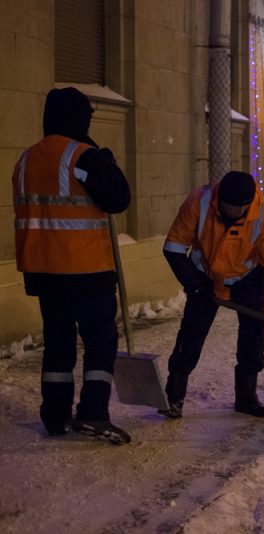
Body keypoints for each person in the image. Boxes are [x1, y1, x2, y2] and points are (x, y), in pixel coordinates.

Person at [12, 87, 132, 444]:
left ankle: (55, 415)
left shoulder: (26, 159)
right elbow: (118, 199)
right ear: (80, 119)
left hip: (43, 271)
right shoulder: (83, 157)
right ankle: (93, 413)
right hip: (85, 269)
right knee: (100, 342)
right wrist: (106, 163)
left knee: (59, 343)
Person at [159, 171, 264, 419]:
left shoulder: (262, 218)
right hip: (205, 277)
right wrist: (194, 284)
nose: (234, 213)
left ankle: (247, 397)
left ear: (248, 203)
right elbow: (174, 247)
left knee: (253, 336)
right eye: (229, 207)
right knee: (191, 334)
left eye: (240, 208)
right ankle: (174, 397)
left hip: (247, 278)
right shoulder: (199, 202)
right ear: (219, 199)